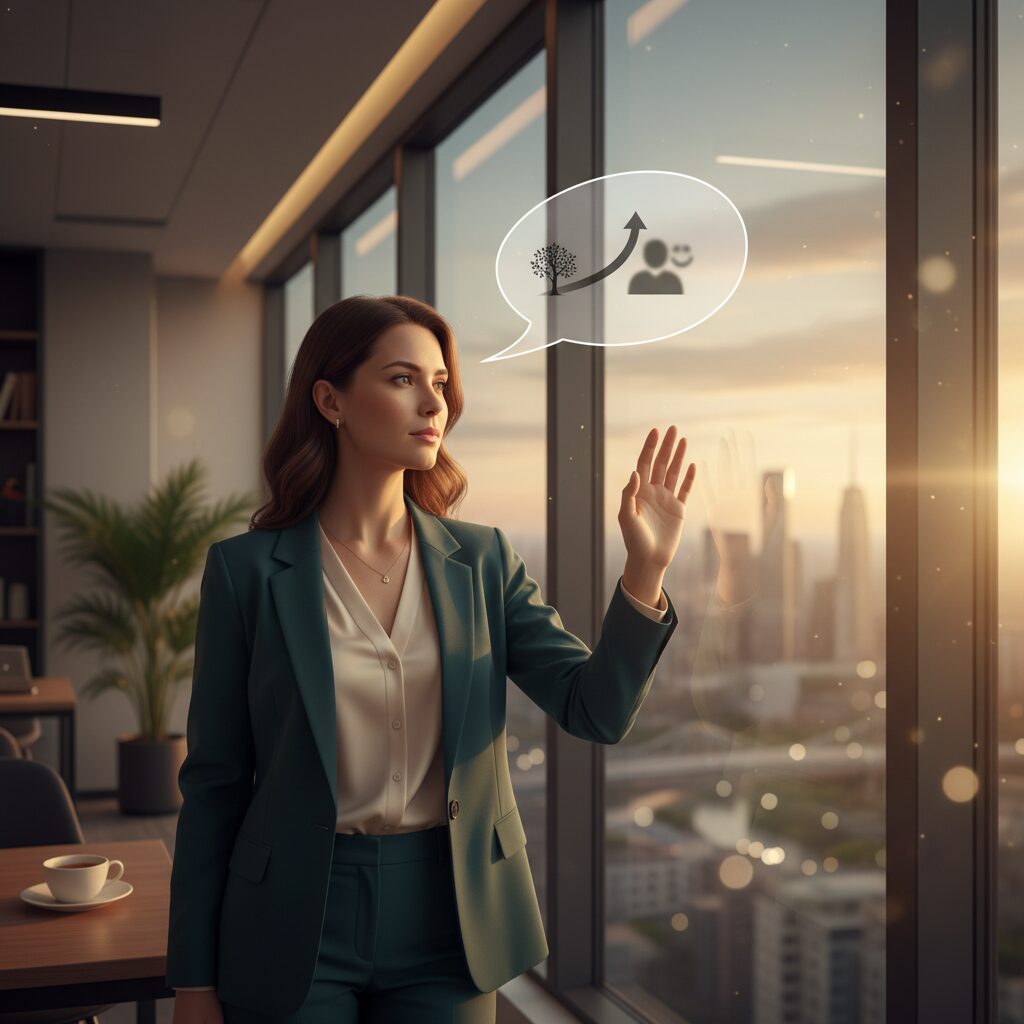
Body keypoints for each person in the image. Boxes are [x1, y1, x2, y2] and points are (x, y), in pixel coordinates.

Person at [167, 294, 697, 1023]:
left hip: (451, 917)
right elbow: (216, 785)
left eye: (441, 382)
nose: (433, 404)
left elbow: (594, 709)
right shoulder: (247, 573)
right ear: (331, 400)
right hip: (293, 911)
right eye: (401, 379)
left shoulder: (481, 561)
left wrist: (646, 570)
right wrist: (193, 981)